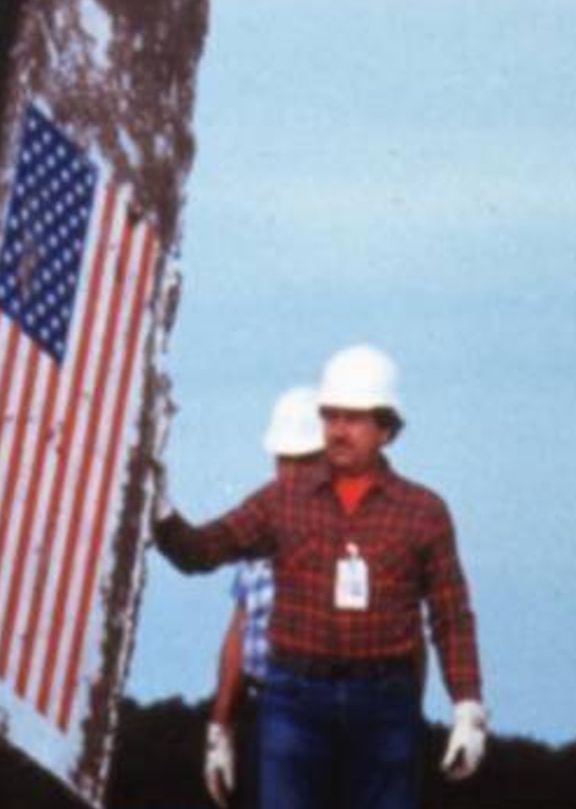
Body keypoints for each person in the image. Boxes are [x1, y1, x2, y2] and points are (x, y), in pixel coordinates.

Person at [154, 344, 486, 809]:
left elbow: (451, 616)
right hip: (294, 701)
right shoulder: (281, 500)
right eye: (331, 417)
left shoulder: (424, 514)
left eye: (354, 418)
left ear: (386, 429)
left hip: (384, 705)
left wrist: (467, 706)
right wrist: (161, 511)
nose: (338, 430)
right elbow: (201, 552)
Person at [204, 386, 323, 809]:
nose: (289, 472)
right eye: (283, 460)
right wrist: (220, 728)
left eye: (303, 460)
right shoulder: (260, 528)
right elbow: (240, 630)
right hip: (263, 711)